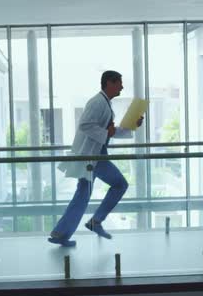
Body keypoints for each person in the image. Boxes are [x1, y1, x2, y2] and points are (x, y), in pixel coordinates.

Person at [49, 71, 144, 247]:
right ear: (109, 83)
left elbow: (109, 131)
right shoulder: (97, 102)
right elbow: (85, 125)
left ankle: (61, 233)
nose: (122, 87)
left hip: (96, 154)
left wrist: (132, 126)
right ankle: (94, 222)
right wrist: (105, 133)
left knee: (82, 194)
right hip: (94, 156)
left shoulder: (105, 103)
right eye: (119, 83)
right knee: (119, 185)